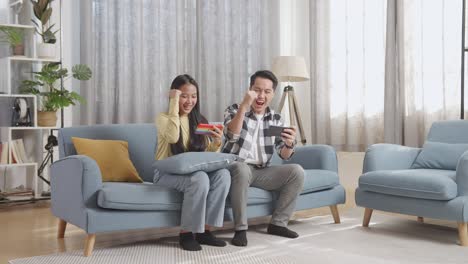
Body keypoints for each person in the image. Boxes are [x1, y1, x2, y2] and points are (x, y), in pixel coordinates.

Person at [222, 70, 305, 247]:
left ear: (273, 94)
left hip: (261, 171)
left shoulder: (276, 118)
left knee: (296, 171)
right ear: (250, 89)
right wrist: (244, 107)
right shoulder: (235, 110)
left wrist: (289, 144)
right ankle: (240, 229)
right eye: (257, 90)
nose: (261, 95)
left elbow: (283, 154)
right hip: (236, 168)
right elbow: (231, 136)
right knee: (241, 168)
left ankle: (278, 224)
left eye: (267, 91)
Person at [154, 74, 231, 251]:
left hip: (193, 172)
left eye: (193, 96)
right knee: (200, 179)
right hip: (165, 174)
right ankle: (186, 233)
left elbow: (204, 157)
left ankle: (205, 230)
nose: (190, 101)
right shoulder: (163, 118)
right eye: (184, 96)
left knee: (223, 175)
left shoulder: (200, 121)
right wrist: (173, 102)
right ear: (174, 96)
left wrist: (217, 143)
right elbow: (173, 137)